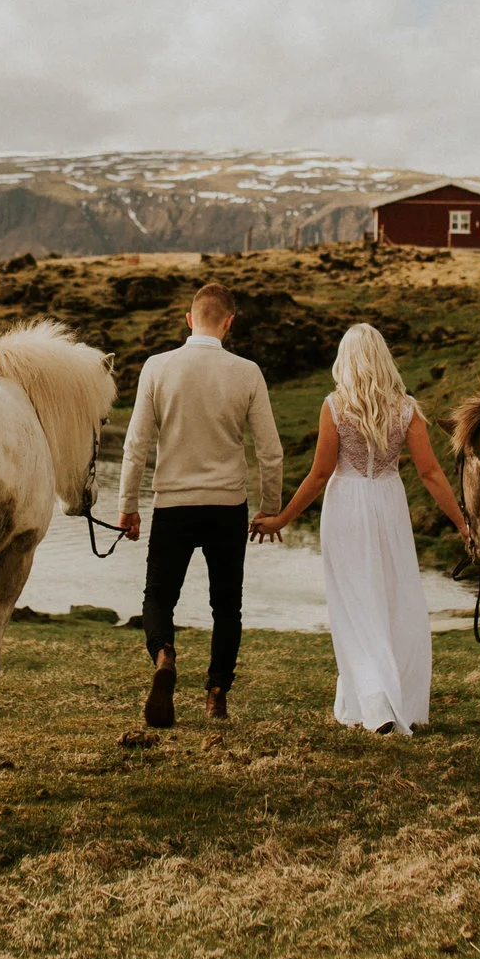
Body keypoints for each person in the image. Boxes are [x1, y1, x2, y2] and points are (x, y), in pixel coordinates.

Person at [251, 324, 469, 735]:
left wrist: (282, 519)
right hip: (389, 503)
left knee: (354, 605)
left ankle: (376, 705)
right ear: (383, 358)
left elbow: (318, 476)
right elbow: (430, 473)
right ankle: (383, 699)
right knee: (393, 601)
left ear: (346, 360)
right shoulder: (407, 409)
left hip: (346, 506)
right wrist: (462, 523)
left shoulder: (335, 406)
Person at [115, 282, 283, 727]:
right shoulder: (247, 372)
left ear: (189, 320)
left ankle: (164, 655)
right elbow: (270, 452)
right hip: (227, 507)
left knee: (158, 597)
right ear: (229, 323)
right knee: (226, 606)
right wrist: (270, 509)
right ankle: (216, 694)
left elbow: (136, 445)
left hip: (173, 505)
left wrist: (128, 505)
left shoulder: (157, 367)